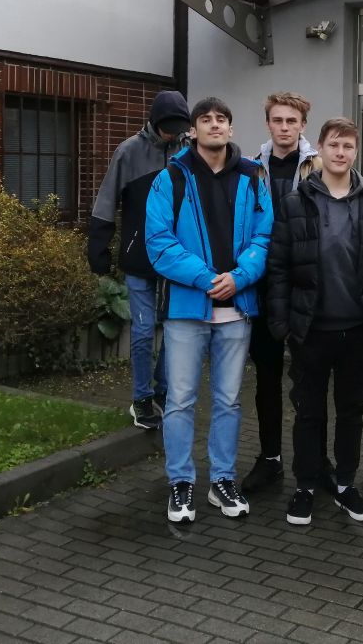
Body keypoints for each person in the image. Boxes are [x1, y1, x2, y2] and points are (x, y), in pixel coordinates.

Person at [145, 97, 273, 523]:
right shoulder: (170, 178)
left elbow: (265, 237)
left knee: (228, 401)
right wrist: (206, 278)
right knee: (180, 400)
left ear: (231, 129)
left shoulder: (253, 177)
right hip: (187, 311)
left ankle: (222, 480)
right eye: (206, 119)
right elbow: (159, 243)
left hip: (237, 309)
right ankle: (181, 483)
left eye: (221, 119)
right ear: (193, 130)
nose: (214, 125)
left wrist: (240, 276)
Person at [267, 117, 363, 526]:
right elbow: (279, 267)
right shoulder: (295, 203)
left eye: (348, 146)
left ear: (357, 152)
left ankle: (344, 484)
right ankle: (305, 486)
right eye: (334, 145)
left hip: (359, 330)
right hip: (310, 330)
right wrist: (282, 324)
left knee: (351, 412)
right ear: (320, 149)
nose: (341, 153)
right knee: (308, 412)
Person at [87, 90, 191, 430]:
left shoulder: (188, 152)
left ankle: (164, 392)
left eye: (178, 129)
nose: (172, 135)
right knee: (144, 330)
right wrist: (98, 247)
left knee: (176, 329)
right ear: (155, 122)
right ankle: (142, 398)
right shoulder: (129, 151)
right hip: (139, 255)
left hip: (177, 258)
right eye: (167, 128)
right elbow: (106, 199)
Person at [241, 92, 322, 494]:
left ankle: (316, 461)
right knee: (267, 377)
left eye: (292, 120)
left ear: (303, 125)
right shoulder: (251, 169)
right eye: (278, 120)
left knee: (310, 379)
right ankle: (270, 458)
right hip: (262, 284)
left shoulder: (319, 166)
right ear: (268, 124)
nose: (285, 127)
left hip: (305, 284)